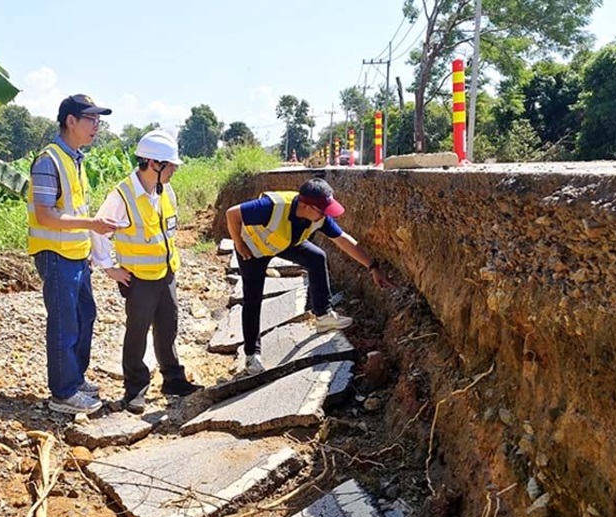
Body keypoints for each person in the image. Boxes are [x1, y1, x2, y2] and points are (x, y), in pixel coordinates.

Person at [225, 178, 394, 375]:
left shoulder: (318, 216)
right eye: (322, 211)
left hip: (284, 242)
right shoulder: (271, 207)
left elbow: (344, 240)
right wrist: (238, 243)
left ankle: (323, 316)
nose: (326, 215)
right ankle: (252, 355)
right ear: (305, 205)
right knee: (253, 299)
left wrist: (372, 266)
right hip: (252, 249)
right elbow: (232, 214)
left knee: (316, 257)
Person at [91, 130, 202, 414]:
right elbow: (100, 230)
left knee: (168, 327)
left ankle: (173, 380)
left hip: (166, 274)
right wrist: (108, 268)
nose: (175, 169)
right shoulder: (122, 195)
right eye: (171, 165)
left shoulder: (166, 192)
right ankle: (135, 389)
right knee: (137, 333)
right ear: (154, 163)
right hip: (138, 278)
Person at [28, 94, 121, 415]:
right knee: (64, 323)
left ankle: (75, 378)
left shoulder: (75, 159)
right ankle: (63, 393)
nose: (97, 126)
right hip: (55, 254)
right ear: (71, 121)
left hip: (77, 254)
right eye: (91, 119)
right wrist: (93, 223)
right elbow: (45, 216)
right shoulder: (48, 160)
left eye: (99, 120)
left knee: (84, 316)